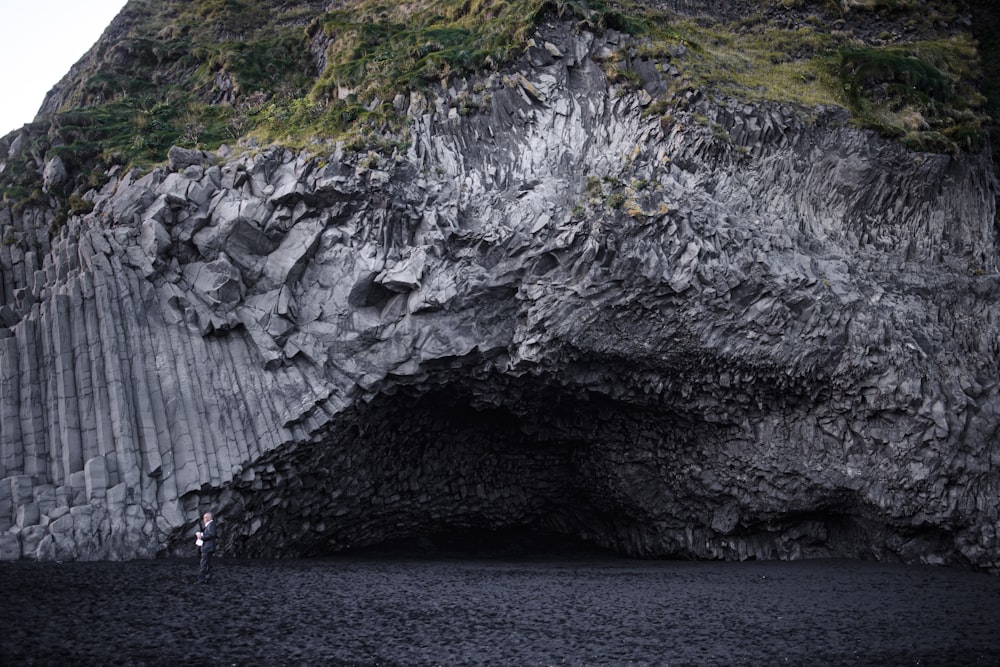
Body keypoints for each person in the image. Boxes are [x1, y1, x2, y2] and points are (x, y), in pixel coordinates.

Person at [195, 512, 218, 584]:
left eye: (205, 517)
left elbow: (211, 534)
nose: (203, 519)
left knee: (203, 563)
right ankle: (210, 579)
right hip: (209, 547)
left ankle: (201, 579)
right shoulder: (210, 525)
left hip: (207, 548)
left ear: (208, 518)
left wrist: (201, 537)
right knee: (208, 563)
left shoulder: (211, 525)